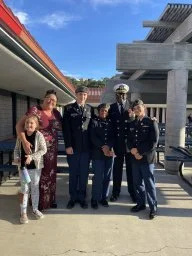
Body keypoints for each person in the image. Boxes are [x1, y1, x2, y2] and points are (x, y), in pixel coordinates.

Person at [16, 89, 62, 211]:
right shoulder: (35, 110)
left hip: (52, 152)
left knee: (50, 176)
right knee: (38, 178)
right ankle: (37, 204)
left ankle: (50, 200)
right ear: (44, 97)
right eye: (49, 98)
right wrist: (25, 141)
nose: (51, 101)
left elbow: (63, 127)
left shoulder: (56, 113)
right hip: (37, 151)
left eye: (54, 100)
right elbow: (19, 126)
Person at [127, 99, 159, 219]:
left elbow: (153, 142)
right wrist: (132, 150)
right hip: (135, 158)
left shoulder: (151, 122)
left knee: (149, 183)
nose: (137, 110)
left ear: (143, 107)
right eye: (135, 108)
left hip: (146, 158)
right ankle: (140, 204)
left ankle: (153, 208)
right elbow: (129, 140)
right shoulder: (132, 123)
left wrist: (140, 152)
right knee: (137, 183)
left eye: (138, 107)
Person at [63, 86, 94, 209]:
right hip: (73, 148)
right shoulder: (69, 108)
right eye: (80, 94)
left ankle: (82, 198)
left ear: (87, 96)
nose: (83, 96)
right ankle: (72, 197)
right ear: (76, 95)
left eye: (85, 94)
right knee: (73, 174)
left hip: (86, 149)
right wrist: (68, 145)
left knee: (84, 174)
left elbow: (93, 127)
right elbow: (66, 130)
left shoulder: (91, 109)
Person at [14, 115, 47, 224]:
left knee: (34, 188)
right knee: (25, 189)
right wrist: (17, 158)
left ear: (36, 125)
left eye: (32, 123)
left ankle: (35, 209)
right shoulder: (21, 136)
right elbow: (17, 150)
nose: (29, 125)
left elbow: (44, 150)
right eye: (27, 123)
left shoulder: (39, 135)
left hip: (35, 168)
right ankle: (23, 213)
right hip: (23, 168)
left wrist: (31, 157)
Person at [108, 83, 136, 202]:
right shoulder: (112, 107)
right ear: (116, 95)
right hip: (118, 144)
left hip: (129, 144)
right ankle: (115, 192)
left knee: (131, 169)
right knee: (117, 169)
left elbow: (137, 122)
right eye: (119, 94)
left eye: (123, 94)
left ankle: (132, 192)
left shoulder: (132, 106)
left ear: (126, 95)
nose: (121, 96)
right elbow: (110, 127)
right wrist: (111, 145)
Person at [90, 103, 115, 209]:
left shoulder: (111, 123)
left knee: (107, 177)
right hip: (97, 154)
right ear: (98, 111)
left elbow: (114, 136)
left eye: (105, 111)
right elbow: (92, 136)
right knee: (98, 177)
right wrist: (102, 147)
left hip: (109, 153)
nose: (103, 112)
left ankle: (103, 198)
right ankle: (95, 198)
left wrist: (108, 146)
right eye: (102, 110)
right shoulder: (94, 122)